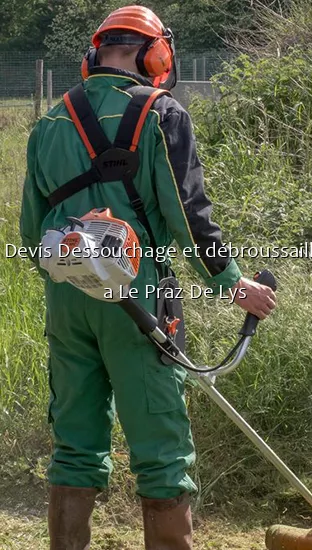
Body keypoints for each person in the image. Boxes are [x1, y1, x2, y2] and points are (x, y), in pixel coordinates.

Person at [20, 5, 276, 550]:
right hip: (141, 298)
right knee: (161, 451)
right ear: (155, 53)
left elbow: (30, 231)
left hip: (68, 299)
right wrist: (236, 285)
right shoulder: (162, 112)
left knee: (74, 445)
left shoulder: (49, 121)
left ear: (97, 52)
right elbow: (188, 217)